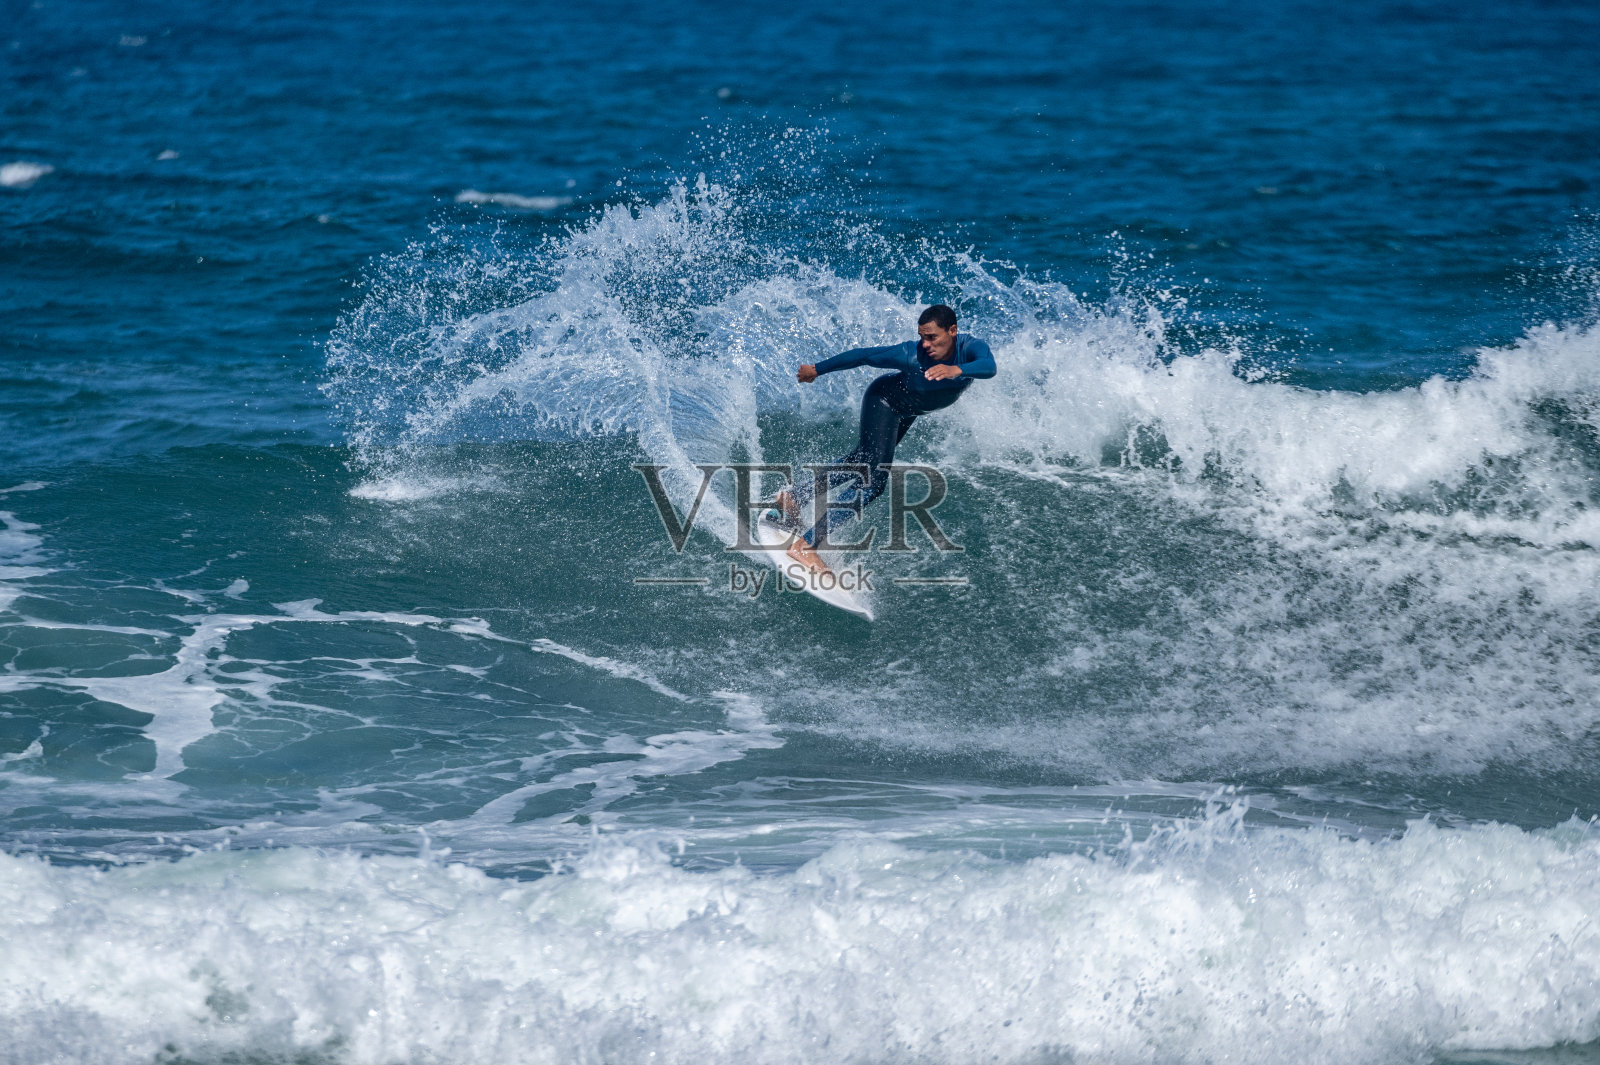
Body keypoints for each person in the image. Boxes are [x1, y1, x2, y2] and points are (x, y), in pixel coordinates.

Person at [770, 304, 996, 573]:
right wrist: (817, 369)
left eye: (932, 337)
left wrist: (955, 370)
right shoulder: (911, 354)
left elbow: (989, 366)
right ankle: (806, 546)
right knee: (873, 483)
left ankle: (796, 496)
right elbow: (865, 356)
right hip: (886, 401)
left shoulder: (970, 348)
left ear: (953, 331)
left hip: (909, 410)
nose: (925, 344)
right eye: (922, 336)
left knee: (861, 462)